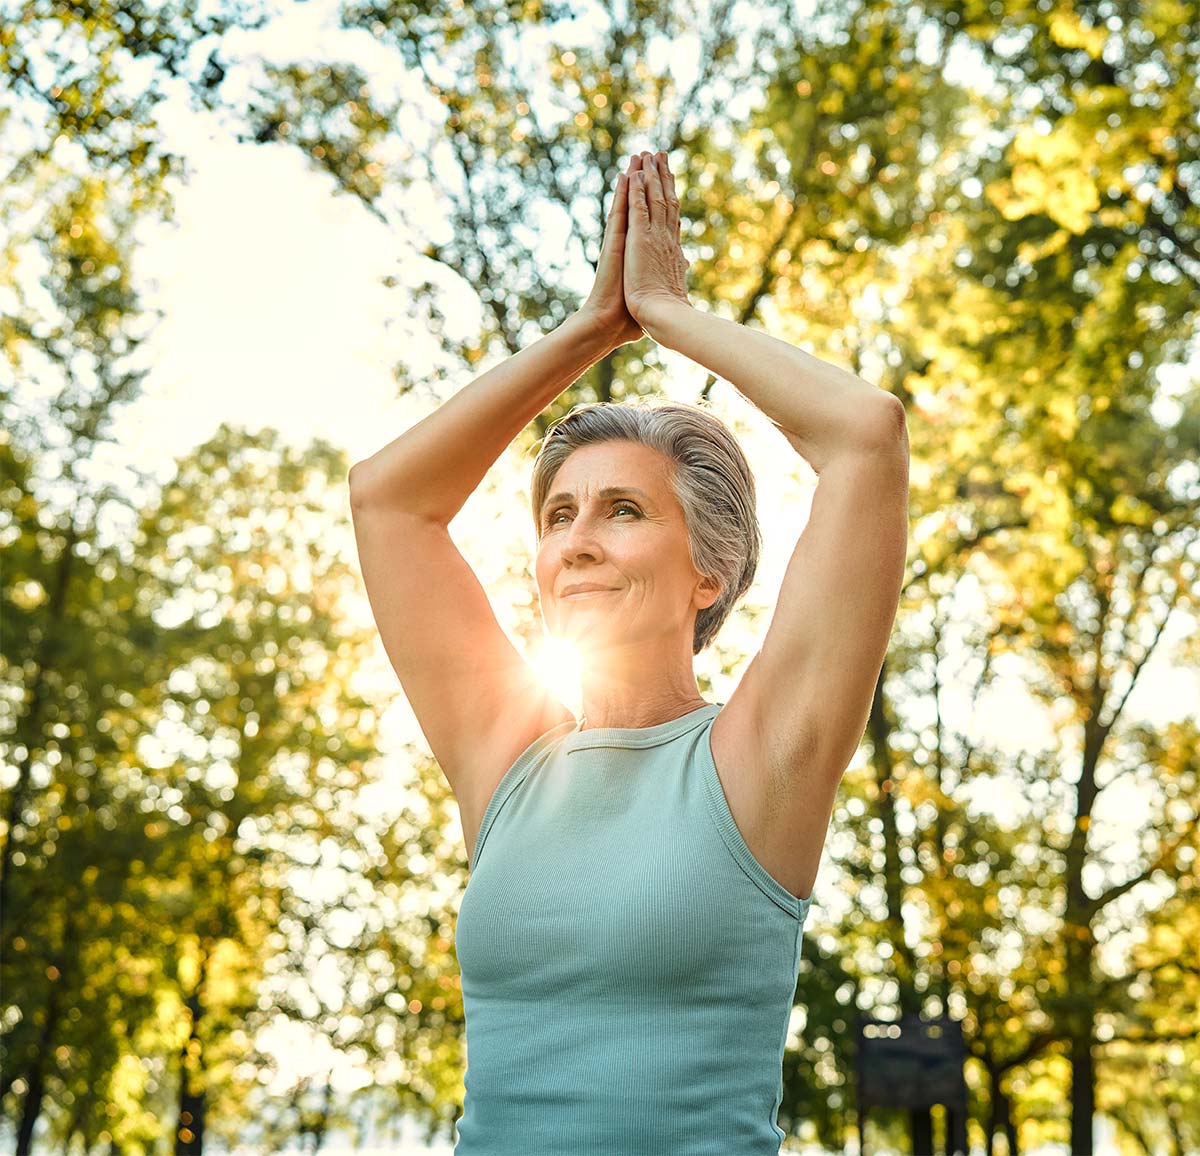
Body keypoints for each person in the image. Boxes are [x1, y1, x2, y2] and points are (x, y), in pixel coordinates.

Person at [349, 150, 909, 1154]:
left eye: (623, 510)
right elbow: (388, 500)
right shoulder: (508, 760)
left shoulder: (757, 760)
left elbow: (867, 436)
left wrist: (665, 312)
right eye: (558, 515)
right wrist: (589, 328)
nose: (576, 540)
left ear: (710, 573)